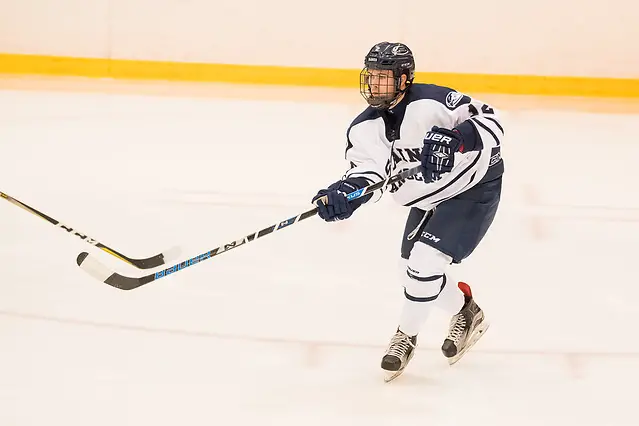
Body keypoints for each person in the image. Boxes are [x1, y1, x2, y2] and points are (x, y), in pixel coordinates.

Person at [312, 41, 505, 382]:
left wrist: (456, 138)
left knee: (425, 264)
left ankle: (405, 336)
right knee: (410, 273)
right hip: (426, 199)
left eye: (383, 77)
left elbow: (492, 121)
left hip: (471, 189)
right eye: (370, 76)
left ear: (404, 79)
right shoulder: (363, 128)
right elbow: (367, 175)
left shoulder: (434, 101)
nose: (373, 84)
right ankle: (467, 311)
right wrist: (344, 195)